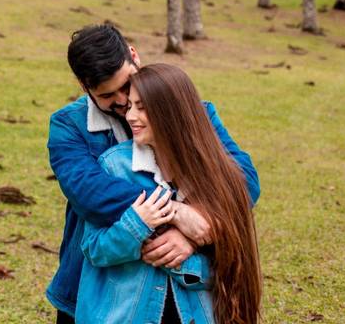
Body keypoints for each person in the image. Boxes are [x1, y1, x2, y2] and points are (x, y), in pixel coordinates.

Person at [47, 23, 259, 323]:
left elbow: (244, 181)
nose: (122, 103)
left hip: (184, 289)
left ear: (134, 55)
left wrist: (196, 234)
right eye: (107, 95)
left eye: (126, 86)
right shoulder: (69, 126)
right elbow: (90, 194)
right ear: (85, 86)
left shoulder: (193, 112)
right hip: (92, 289)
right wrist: (177, 213)